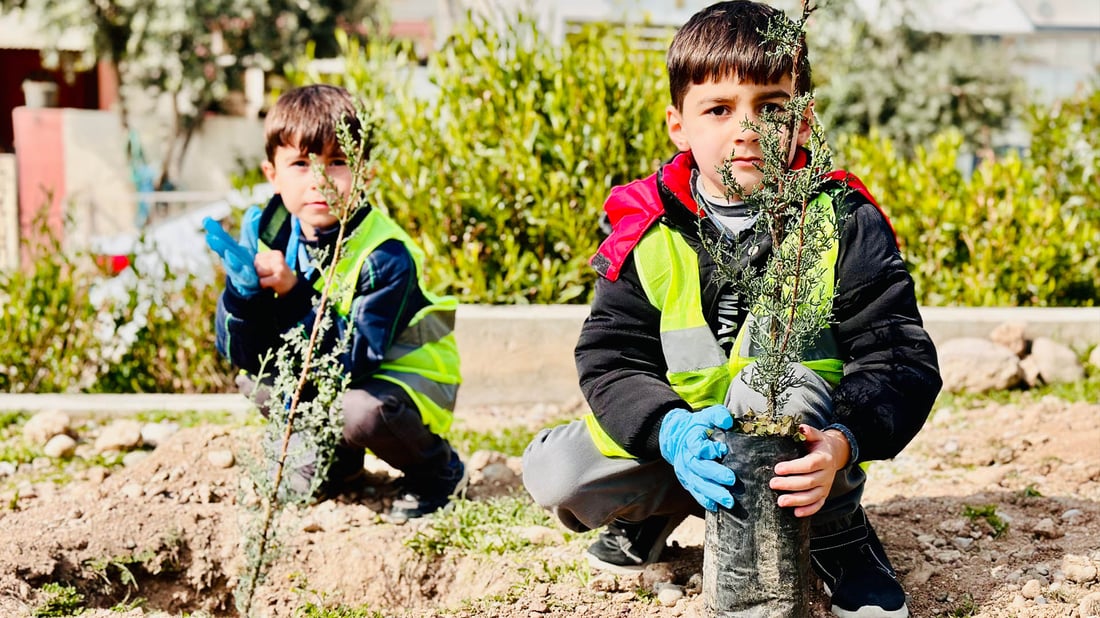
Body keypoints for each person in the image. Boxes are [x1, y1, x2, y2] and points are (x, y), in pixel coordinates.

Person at [521, 2, 941, 616]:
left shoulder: (844, 219)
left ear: (803, 122)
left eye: (771, 107)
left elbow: (899, 358)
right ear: (679, 125)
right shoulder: (647, 226)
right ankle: (656, 509)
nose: (747, 129)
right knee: (556, 471)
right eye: (718, 109)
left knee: (765, 389)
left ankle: (836, 531)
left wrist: (840, 443)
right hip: (687, 440)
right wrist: (669, 431)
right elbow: (611, 359)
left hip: (803, 444)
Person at [206, 84, 465, 523]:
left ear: (366, 173)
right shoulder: (272, 235)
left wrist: (293, 294)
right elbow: (246, 356)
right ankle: (338, 464)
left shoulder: (384, 254)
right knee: (259, 380)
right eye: (300, 164)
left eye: (338, 162)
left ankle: (439, 473)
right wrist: (242, 296)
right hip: (344, 379)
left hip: (408, 385)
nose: (319, 180)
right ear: (272, 174)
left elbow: (353, 360)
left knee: (359, 412)